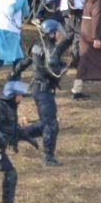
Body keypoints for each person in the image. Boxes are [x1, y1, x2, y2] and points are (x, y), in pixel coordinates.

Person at [17, 18, 71, 166]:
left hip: (40, 89)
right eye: (57, 32)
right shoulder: (48, 49)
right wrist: (63, 67)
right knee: (51, 125)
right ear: (51, 34)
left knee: (45, 124)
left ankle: (13, 134)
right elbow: (52, 71)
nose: (60, 34)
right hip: (43, 90)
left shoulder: (39, 45)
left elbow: (26, 62)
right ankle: (47, 157)